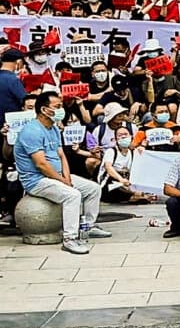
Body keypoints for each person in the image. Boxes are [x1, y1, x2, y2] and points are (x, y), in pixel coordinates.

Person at [13, 92, 111, 254]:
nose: (61, 110)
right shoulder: (31, 131)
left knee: (93, 189)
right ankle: (70, 239)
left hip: (56, 176)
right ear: (44, 109)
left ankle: (88, 226)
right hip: (36, 181)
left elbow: (61, 155)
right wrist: (62, 180)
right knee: (72, 195)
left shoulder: (53, 128)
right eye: (57, 107)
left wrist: (66, 177)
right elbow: (41, 164)